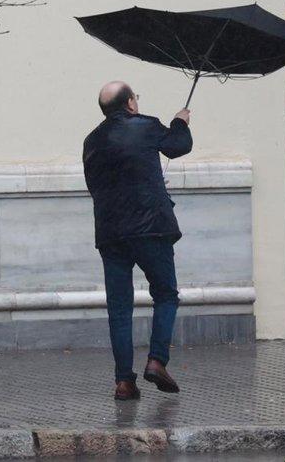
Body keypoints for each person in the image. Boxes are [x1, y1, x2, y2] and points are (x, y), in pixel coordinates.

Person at [83, 81, 193, 400]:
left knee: (119, 309)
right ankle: (157, 361)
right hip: (151, 229)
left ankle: (123, 382)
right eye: (136, 98)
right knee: (166, 294)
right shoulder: (146, 126)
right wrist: (180, 122)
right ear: (131, 103)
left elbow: (97, 185)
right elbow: (177, 146)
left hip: (111, 233)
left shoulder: (91, 141)